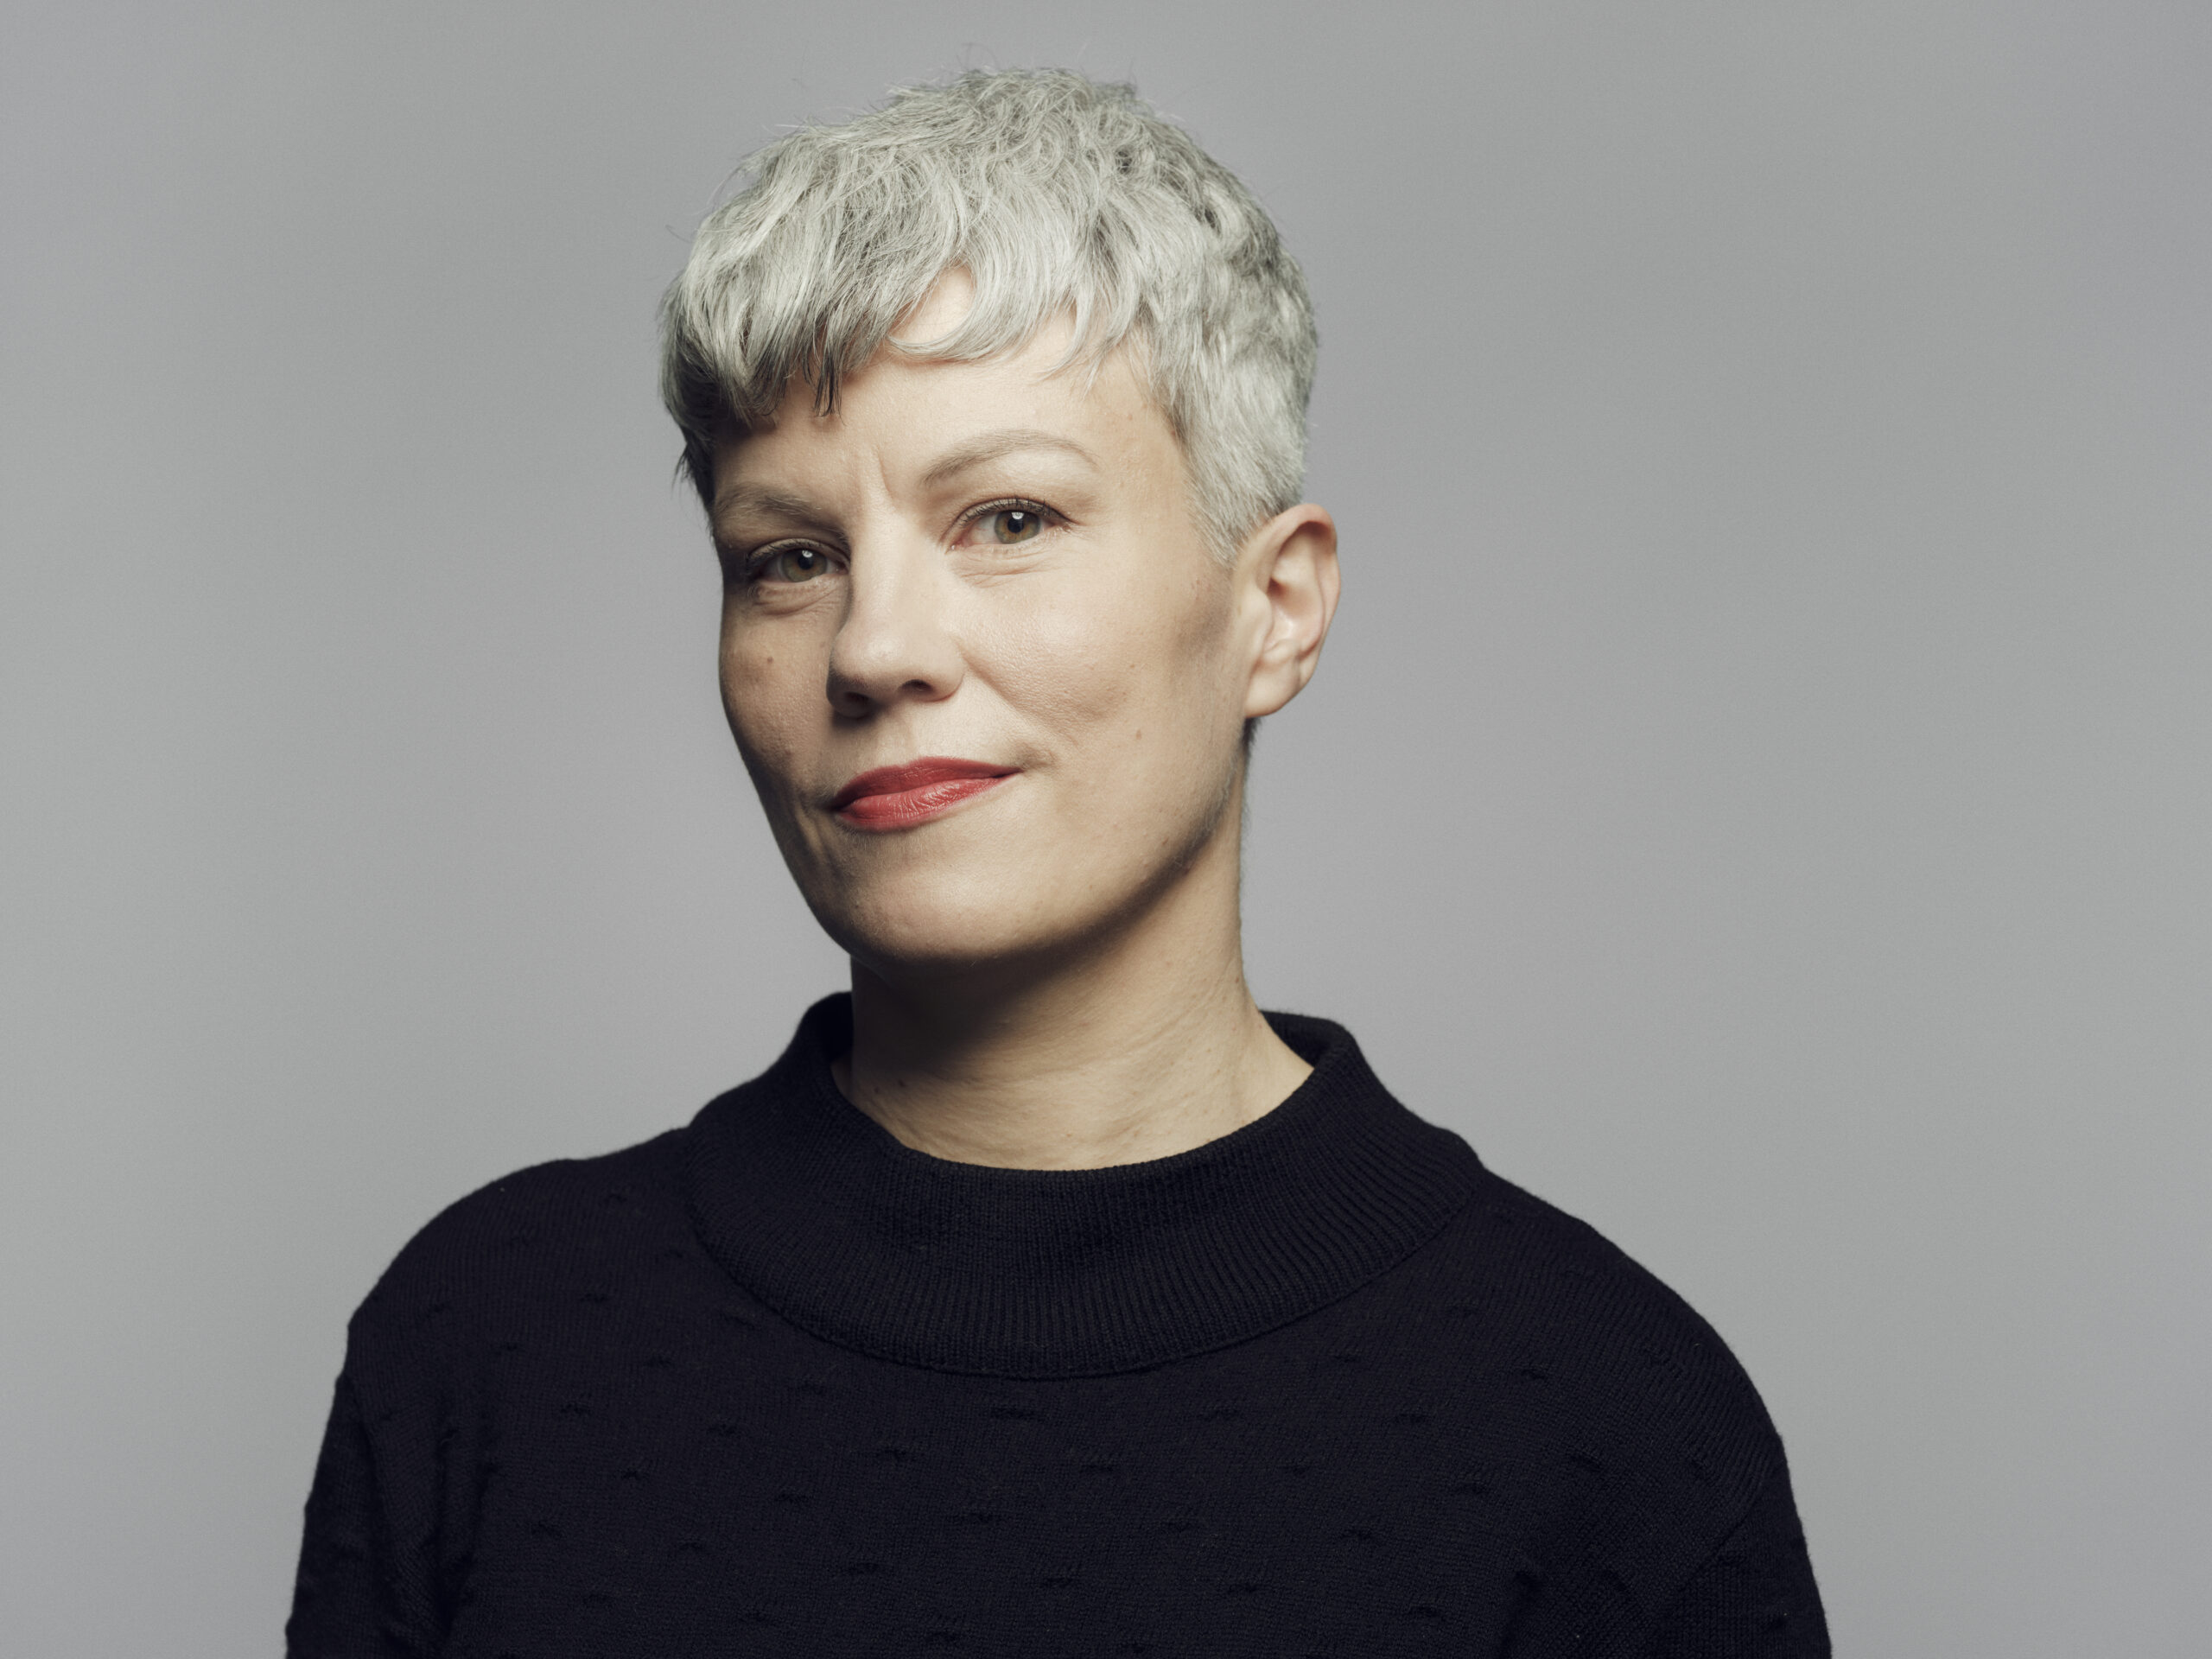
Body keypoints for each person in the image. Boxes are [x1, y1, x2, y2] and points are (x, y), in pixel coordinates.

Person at [287, 68, 1828, 1657]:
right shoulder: (487, 1346)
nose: (875, 648)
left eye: (1009, 519)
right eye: (789, 558)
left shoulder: (1610, 1424)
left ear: (1275, 609)